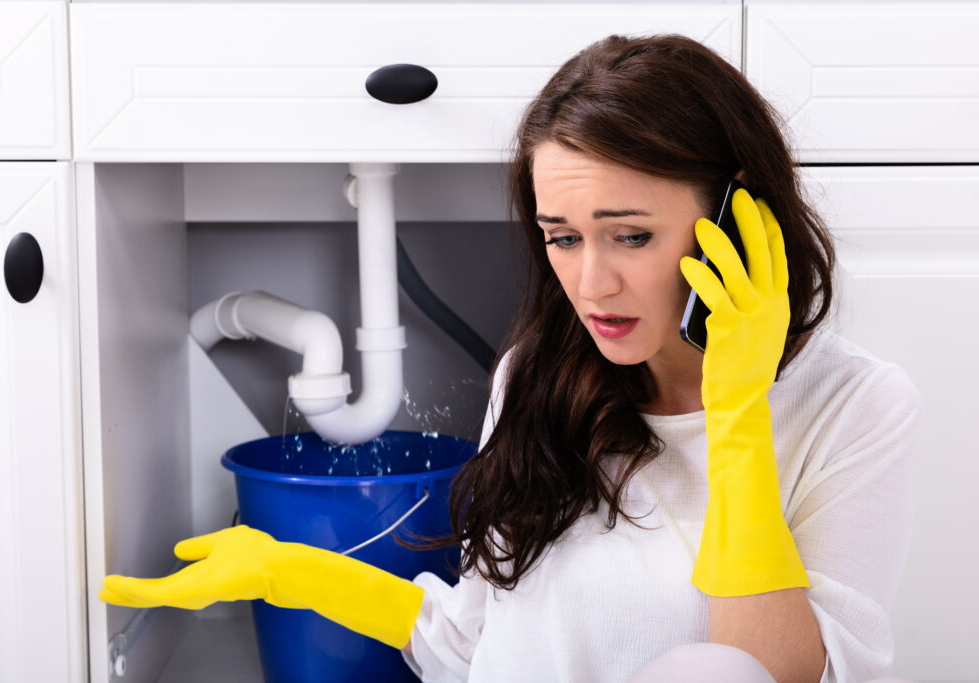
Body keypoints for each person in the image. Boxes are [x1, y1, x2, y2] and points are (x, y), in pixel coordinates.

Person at [101, 34, 923, 683]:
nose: (590, 283)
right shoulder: (538, 373)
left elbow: (772, 675)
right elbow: (476, 644)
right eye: (561, 237)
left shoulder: (856, 407)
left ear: (742, 219)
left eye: (630, 234)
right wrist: (289, 573)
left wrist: (737, 413)